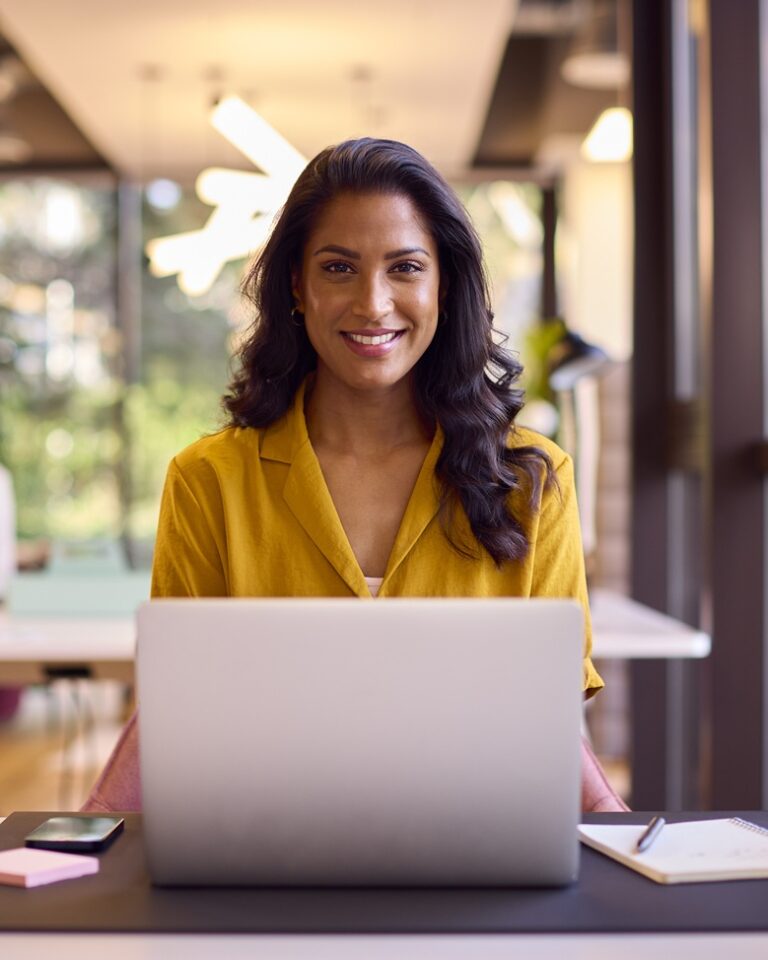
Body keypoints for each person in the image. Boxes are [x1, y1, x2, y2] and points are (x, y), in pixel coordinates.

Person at [84, 137, 627, 814]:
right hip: (264, 844)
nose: (373, 304)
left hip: (473, 842)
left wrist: (613, 826)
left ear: (444, 284)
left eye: (405, 267)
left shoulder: (534, 479)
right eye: (339, 268)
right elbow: (174, 701)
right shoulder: (208, 480)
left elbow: (547, 714)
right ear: (297, 286)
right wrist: (79, 840)